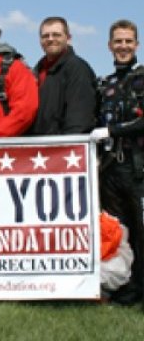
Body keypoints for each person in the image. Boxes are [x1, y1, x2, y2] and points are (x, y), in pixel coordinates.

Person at [94, 19, 144, 304]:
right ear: (110, 46)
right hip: (110, 169)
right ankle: (126, 286)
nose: (123, 46)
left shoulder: (141, 78)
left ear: (136, 44)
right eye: (118, 41)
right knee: (118, 232)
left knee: (141, 230)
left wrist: (113, 131)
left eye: (128, 41)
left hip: (137, 169)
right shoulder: (107, 84)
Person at [29, 16, 97, 135]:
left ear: (68, 38)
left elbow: (79, 119)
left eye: (56, 35)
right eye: (45, 36)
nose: (50, 39)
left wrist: (65, 147)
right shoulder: (36, 72)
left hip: (62, 148)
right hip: (38, 147)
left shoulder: (77, 69)